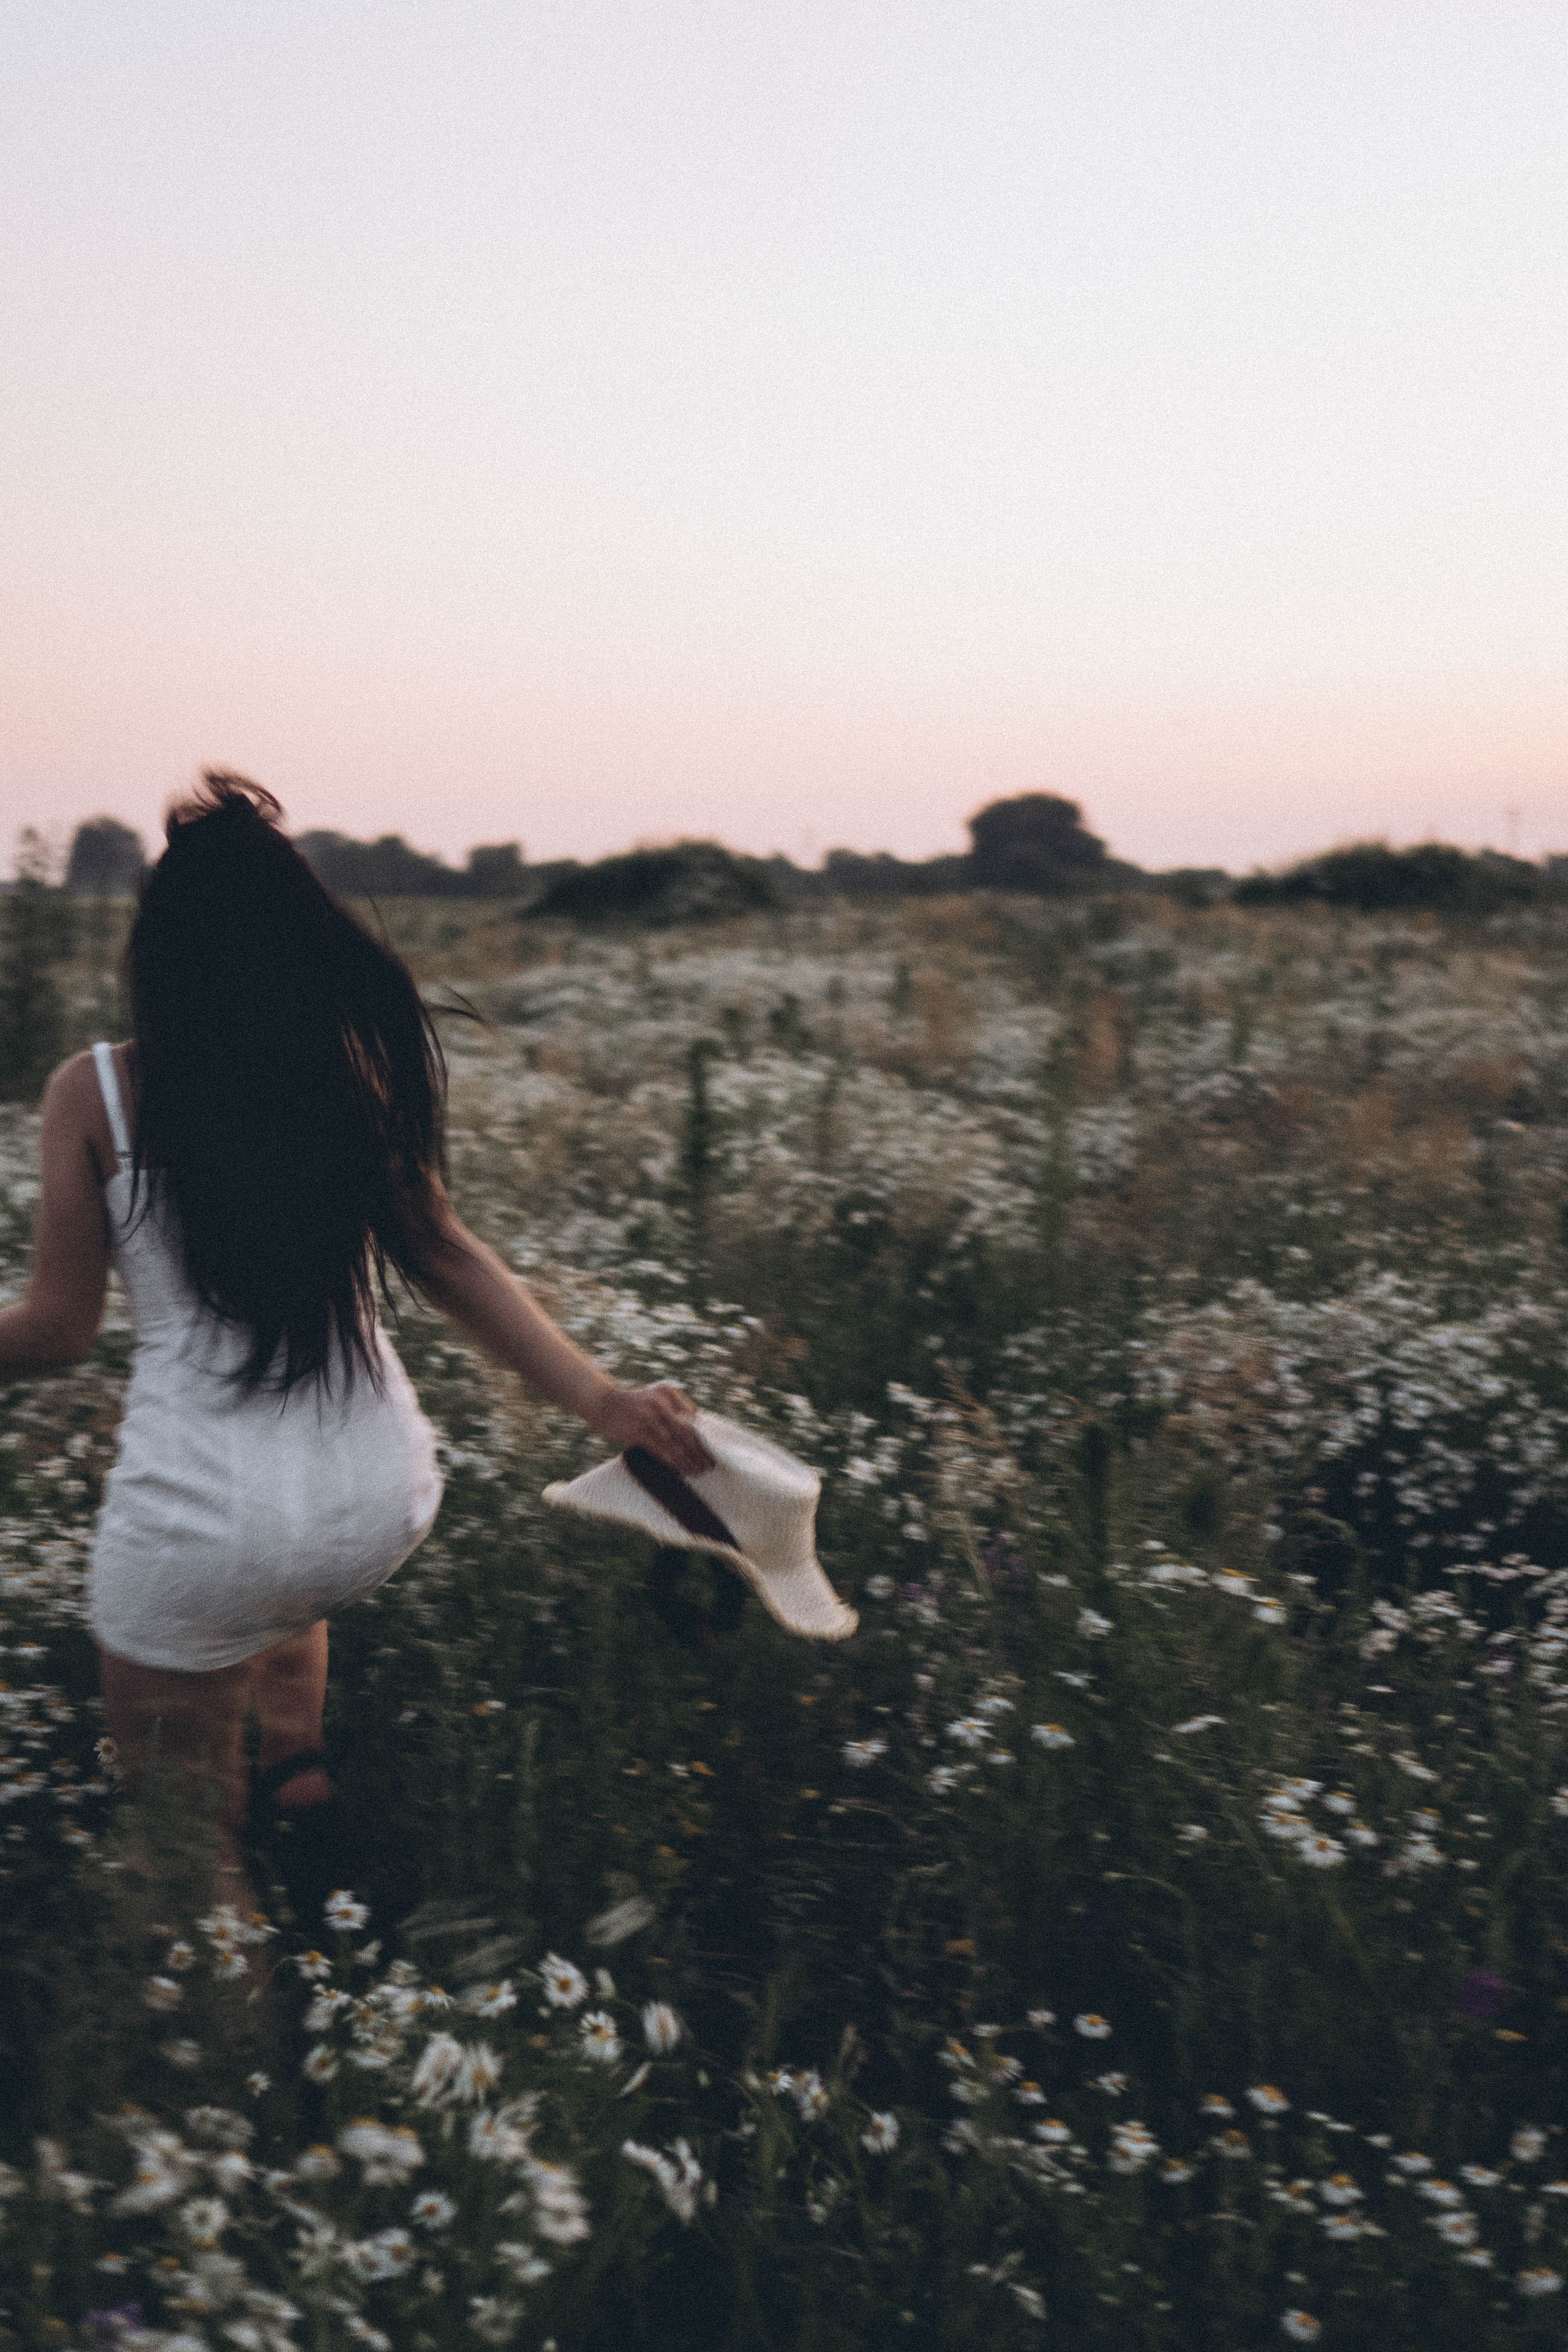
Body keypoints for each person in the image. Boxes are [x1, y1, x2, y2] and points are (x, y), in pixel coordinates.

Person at [0, 775, 712, 1915]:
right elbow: (444, 1251)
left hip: (204, 1527)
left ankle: (241, 2004)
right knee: (283, 1572)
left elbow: (58, 1328)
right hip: (375, 1500)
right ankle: (299, 1770)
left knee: (185, 1855)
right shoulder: (345, 1068)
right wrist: (605, 1403)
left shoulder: (97, 1094)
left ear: (158, 947)